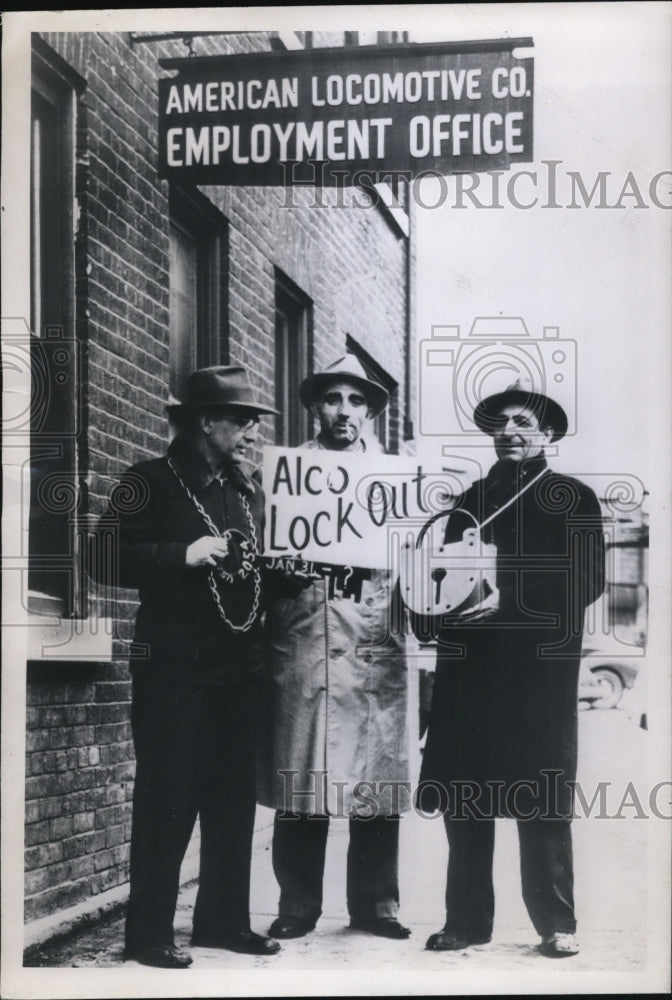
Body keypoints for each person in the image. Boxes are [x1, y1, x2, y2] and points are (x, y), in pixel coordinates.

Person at [97, 366, 281, 968]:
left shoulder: (244, 489)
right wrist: (181, 553)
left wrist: (284, 575)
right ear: (207, 421)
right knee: (168, 800)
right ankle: (149, 934)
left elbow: (244, 574)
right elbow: (98, 556)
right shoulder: (147, 480)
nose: (253, 431)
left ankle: (224, 923)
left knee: (232, 803)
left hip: (240, 670)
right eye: (244, 419)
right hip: (174, 674)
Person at [416, 378, 605, 958]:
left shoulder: (572, 497)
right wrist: (426, 606)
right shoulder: (470, 500)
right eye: (501, 423)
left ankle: (556, 924)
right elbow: (442, 578)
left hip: (535, 675)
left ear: (548, 433)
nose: (510, 432)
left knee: (540, 798)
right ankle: (466, 922)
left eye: (523, 422)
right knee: (466, 796)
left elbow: (587, 579)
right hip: (471, 670)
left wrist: (511, 594)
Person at [259, 354, 412, 941]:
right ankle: (298, 904)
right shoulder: (286, 477)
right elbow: (262, 561)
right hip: (306, 638)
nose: (343, 411)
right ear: (315, 408)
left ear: (370, 411)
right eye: (332, 400)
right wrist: (279, 566)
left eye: (355, 401)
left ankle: (377, 905)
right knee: (302, 771)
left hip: (373, 641)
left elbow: (415, 568)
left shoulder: (394, 481)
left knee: (375, 774)